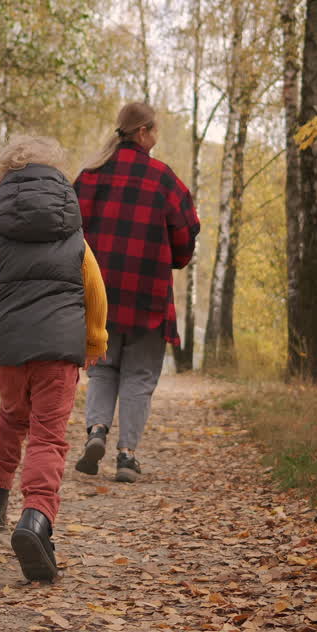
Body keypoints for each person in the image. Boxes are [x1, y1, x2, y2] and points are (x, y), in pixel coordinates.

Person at [0, 135, 108, 582]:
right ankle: (36, 519)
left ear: (4, 182)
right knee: (47, 437)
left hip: (8, 354)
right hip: (57, 357)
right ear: (58, 180)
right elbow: (96, 293)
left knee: (12, 415)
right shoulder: (73, 236)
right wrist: (94, 342)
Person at [72, 102, 201, 483]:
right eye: (155, 129)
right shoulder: (163, 179)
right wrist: (173, 258)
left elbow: (69, 232)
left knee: (101, 370)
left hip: (98, 294)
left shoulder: (89, 176)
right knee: (140, 377)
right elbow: (186, 231)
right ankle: (126, 456)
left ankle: (96, 431)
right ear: (143, 132)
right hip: (147, 294)